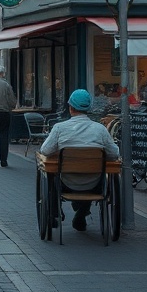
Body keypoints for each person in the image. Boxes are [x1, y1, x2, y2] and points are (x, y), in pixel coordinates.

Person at [39, 88, 120, 232]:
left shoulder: (59, 128)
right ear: (88, 108)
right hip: (95, 183)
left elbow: (45, 151)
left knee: (50, 174)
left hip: (65, 183)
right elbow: (114, 154)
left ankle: (54, 211)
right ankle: (81, 213)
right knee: (89, 174)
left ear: (70, 107)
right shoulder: (100, 129)